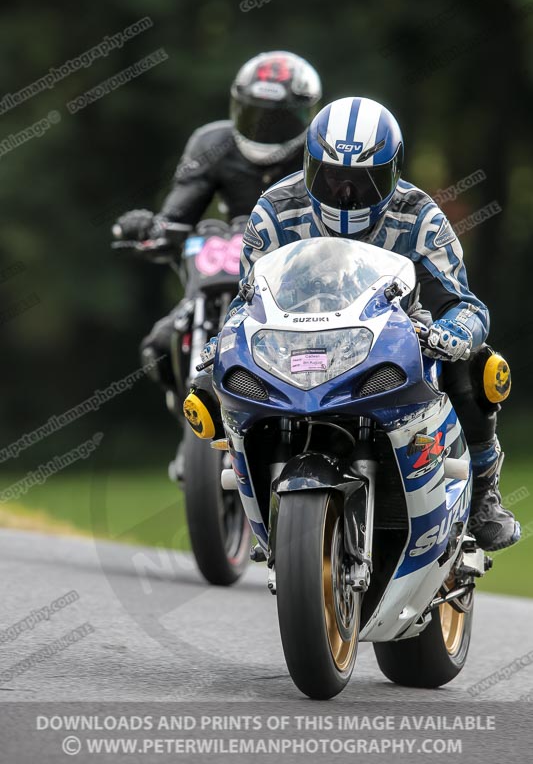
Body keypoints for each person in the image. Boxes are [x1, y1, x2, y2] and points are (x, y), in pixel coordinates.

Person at [194, 96, 520, 553]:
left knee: (481, 365)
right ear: (309, 166)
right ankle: (251, 477)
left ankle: (485, 493)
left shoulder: (421, 216)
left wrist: (456, 333)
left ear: (392, 172)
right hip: (294, 340)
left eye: (363, 181)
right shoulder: (274, 210)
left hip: (396, 339)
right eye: (332, 177)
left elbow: (465, 303)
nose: (345, 194)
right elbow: (247, 300)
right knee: (211, 381)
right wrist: (224, 337)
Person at [113, 50, 322, 395]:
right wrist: (153, 228)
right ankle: (188, 417)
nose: (263, 129)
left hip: (306, 281)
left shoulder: (320, 151)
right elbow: (180, 210)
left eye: (277, 120)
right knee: (159, 346)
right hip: (229, 266)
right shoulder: (211, 143)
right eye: (255, 116)